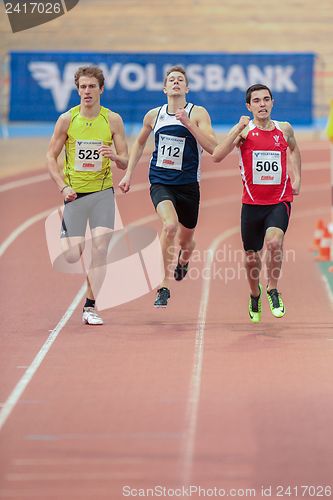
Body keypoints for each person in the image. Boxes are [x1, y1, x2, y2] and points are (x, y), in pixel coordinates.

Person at [118, 65, 217, 307]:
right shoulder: (153, 115)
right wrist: (128, 174)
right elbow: (139, 144)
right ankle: (163, 285)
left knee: (186, 240)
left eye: (180, 80)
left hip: (188, 186)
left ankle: (184, 256)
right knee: (169, 225)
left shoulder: (198, 113)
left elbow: (213, 147)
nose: (175, 82)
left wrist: (189, 124)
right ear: (164, 88)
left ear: (187, 88)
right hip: (161, 181)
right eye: (171, 80)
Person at [46, 66, 128, 325]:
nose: (87, 91)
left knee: (101, 248)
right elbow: (50, 156)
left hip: (103, 193)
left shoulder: (112, 120)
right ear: (77, 89)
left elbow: (125, 161)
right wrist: (62, 186)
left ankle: (90, 306)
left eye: (92, 86)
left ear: (101, 89)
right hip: (74, 196)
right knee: (72, 255)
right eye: (82, 87)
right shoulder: (67, 120)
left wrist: (115, 156)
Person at [213, 84, 301, 323]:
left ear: (272, 102)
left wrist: (298, 177)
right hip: (252, 204)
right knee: (252, 257)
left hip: (279, 200)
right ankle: (255, 293)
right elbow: (217, 156)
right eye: (257, 101)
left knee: (274, 242)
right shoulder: (244, 131)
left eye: (266, 100)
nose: (262, 104)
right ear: (249, 106)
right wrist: (237, 130)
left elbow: (294, 149)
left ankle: (273, 289)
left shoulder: (284, 129)